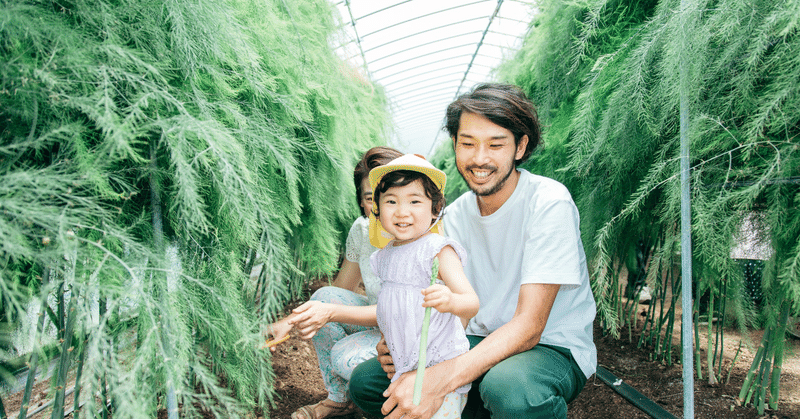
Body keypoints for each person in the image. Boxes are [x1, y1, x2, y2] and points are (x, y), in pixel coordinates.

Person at [349, 83, 597, 419]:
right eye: (467, 144)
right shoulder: (452, 216)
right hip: (474, 339)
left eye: (496, 145)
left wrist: (441, 378)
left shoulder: (547, 203)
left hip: (548, 347)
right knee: (370, 382)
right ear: (455, 145)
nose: (480, 159)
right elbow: (435, 303)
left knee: (510, 391)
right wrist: (398, 343)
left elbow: (530, 325)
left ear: (520, 147)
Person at [266, 146, 403, 419]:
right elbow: (338, 291)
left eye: (388, 196)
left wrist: (329, 312)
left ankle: (382, 403)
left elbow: (400, 311)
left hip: (406, 334)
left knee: (343, 356)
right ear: (361, 200)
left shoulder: (417, 236)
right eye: (369, 197)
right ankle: (340, 401)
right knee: (324, 294)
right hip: (378, 324)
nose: (379, 206)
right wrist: (290, 321)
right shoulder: (363, 229)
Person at [368, 154, 480, 419]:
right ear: (377, 208)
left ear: (434, 209)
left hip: (441, 366)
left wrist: (450, 300)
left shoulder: (436, 250)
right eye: (391, 201)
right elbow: (391, 305)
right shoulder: (384, 255)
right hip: (404, 363)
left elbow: (471, 302)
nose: (402, 211)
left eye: (414, 201)